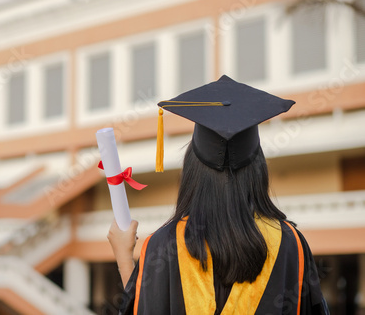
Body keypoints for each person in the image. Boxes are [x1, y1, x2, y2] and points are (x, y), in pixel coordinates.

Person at [107, 75, 329, 314]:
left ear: (192, 168)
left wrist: (124, 258)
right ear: (258, 169)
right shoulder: (290, 244)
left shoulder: (161, 247)